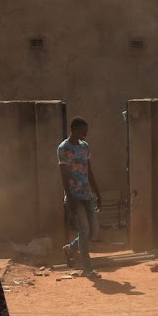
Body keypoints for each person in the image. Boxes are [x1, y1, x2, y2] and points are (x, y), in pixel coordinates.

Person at [58, 117, 102, 278]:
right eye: (84, 131)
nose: (86, 134)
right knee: (84, 229)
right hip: (74, 196)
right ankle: (88, 268)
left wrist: (98, 193)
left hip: (87, 194)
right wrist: (69, 197)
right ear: (74, 129)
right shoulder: (63, 148)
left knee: (92, 231)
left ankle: (70, 249)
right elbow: (63, 175)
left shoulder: (85, 147)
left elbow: (89, 171)